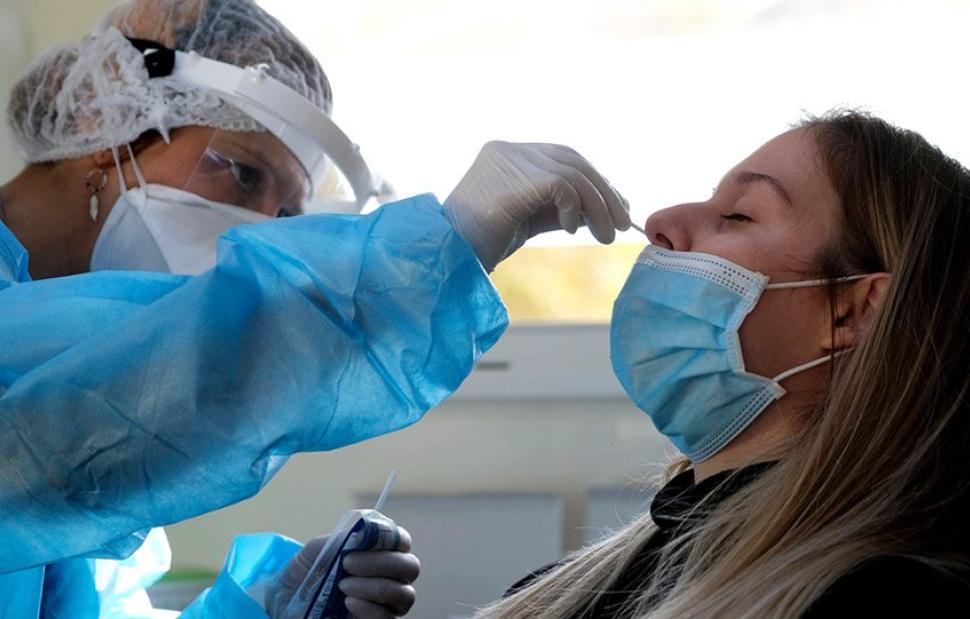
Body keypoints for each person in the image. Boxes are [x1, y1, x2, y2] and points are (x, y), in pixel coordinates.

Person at [0, 0, 631, 616]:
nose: (254, 230)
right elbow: (49, 426)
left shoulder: (93, 363)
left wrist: (263, 605)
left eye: (284, 215)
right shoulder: (62, 367)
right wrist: (437, 249)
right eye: (242, 173)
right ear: (103, 113)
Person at [476, 110, 970, 618]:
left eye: (738, 215)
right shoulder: (566, 590)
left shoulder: (885, 597)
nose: (661, 220)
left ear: (854, 312)